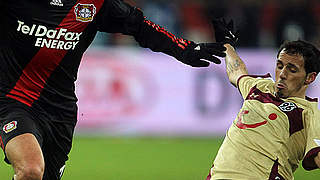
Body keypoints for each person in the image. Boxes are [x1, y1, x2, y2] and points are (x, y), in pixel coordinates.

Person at [0, 1, 227, 180]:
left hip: (60, 111)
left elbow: (140, 26)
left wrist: (185, 49)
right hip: (13, 101)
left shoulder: (95, 4)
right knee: (30, 170)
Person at [206, 18, 320, 179]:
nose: (282, 74)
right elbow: (236, 72)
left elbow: (318, 157)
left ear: (310, 78)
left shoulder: (309, 114)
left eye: (292, 70)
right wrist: (227, 45)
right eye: (280, 66)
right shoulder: (259, 87)